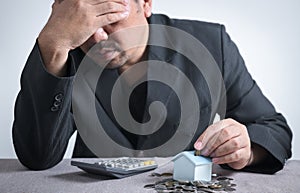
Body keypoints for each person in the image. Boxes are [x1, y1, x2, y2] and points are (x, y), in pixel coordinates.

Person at [13, 0, 292, 174]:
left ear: (145, 3)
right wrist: (53, 45)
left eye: (111, 17)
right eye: (86, 21)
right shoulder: (67, 57)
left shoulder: (211, 43)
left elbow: (274, 128)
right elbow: (37, 158)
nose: (98, 37)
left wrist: (247, 149)